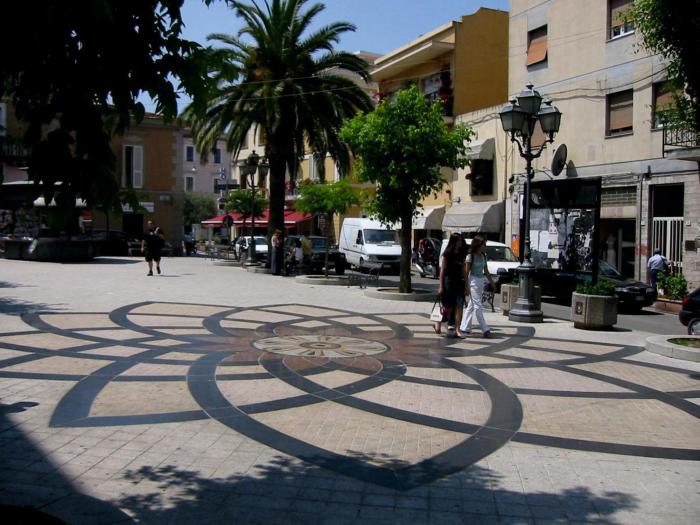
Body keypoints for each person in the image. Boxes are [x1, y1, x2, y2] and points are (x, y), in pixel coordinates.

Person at [460, 235, 495, 338]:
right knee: (478, 306)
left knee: (472, 304)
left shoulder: (484, 256)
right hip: (473, 281)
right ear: (478, 245)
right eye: (483, 245)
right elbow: (466, 273)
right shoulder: (470, 256)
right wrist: (466, 286)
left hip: (480, 281)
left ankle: (464, 327)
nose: (485, 246)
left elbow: (486, 271)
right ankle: (485, 329)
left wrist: (492, 283)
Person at [435, 233, 467, 337]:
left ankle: (457, 329)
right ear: (454, 241)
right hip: (448, 281)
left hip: (459, 282)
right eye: (459, 241)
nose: (460, 243)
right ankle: (439, 321)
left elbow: (463, 270)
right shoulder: (447, 254)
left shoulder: (462, 254)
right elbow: (442, 271)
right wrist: (441, 286)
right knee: (448, 306)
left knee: (459, 305)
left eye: (461, 241)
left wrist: (466, 283)